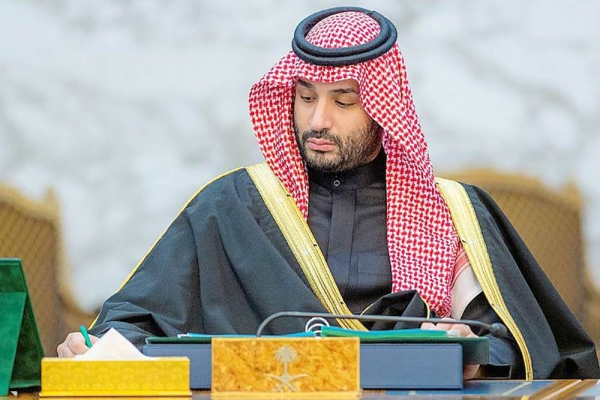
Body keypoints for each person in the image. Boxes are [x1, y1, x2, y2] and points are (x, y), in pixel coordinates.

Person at [58, 6, 599, 380]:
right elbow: (135, 323)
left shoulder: (452, 212)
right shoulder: (234, 207)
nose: (318, 120)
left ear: (382, 109)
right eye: (306, 97)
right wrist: (94, 349)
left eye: (344, 101)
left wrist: (472, 353)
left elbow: (524, 345)